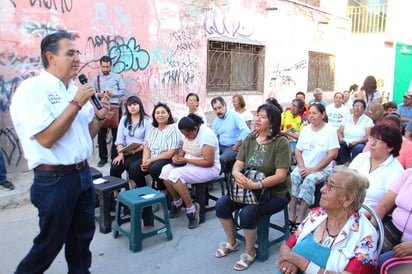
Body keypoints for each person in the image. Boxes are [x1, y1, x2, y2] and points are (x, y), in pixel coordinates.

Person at [10, 31, 110, 273]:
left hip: (83, 175)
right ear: (51, 57)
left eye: (77, 52)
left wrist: (99, 117)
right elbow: (46, 138)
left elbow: (86, 135)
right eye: (70, 53)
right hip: (54, 180)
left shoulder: (73, 89)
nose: (77, 58)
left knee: (81, 240)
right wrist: (76, 103)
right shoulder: (33, 90)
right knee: (49, 244)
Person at [214, 104, 291, 271]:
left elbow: (280, 176)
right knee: (221, 205)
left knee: (247, 214)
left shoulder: (281, 142)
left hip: (274, 193)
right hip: (247, 189)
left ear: (272, 122)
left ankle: (250, 251)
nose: (257, 119)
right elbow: (238, 164)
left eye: (263, 117)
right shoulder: (250, 139)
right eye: (257, 115)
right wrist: (236, 174)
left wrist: (257, 184)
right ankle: (232, 242)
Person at [277, 166, 378, 274]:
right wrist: (288, 262)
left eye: (330, 186)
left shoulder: (366, 236)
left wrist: (303, 264)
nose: (322, 189)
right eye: (326, 184)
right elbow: (287, 245)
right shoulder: (317, 214)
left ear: (348, 199)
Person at [160, 114, 220, 229]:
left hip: (209, 168)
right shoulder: (187, 133)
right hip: (190, 163)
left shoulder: (206, 136)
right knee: (165, 170)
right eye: (184, 135)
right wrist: (178, 157)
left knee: (176, 175)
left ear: (196, 129)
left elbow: (209, 162)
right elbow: (184, 148)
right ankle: (177, 202)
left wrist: (186, 159)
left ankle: (191, 209)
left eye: (188, 134)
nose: (186, 137)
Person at [289, 103, 339, 232]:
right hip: (304, 166)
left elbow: (333, 154)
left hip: (322, 168)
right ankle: (292, 212)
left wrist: (313, 169)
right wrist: (301, 167)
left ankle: (301, 217)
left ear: (323, 115)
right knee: (294, 176)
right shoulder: (305, 129)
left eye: (314, 113)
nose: (311, 116)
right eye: (309, 113)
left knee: (309, 180)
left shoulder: (330, 130)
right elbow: (298, 151)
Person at [349, 121, 404, 208]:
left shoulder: (396, 170)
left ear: (390, 147)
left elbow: (385, 206)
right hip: (344, 207)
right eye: (371, 138)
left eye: (378, 140)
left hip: (369, 215)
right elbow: (345, 180)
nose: (372, 143)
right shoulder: (361, 157)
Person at [373, 169, 412, 273]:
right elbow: (383, 205)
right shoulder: (408, 174)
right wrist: (369, 232)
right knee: (361, 252)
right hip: (392, 229)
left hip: (410, 243)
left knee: (382, 263)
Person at [92, 55, 128, 167]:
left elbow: (123, 91)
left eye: (107, 66)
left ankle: (114, 157)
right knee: (101, 135)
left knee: (116, 135)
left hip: (115, 108)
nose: (105, 69)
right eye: (103, 67)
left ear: (111, 65)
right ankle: (103, 158)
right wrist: (99, 94)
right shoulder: (96, 79)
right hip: (101, 109)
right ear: (100, 66)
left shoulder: (117, 77)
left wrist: (114, 93)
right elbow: (92, 94)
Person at [110, 95, 152, 191]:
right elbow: (119, 139)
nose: (132, 107)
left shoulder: (147, 121)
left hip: (141, 150)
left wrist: (133, 152)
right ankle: (116, 193)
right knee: (115, 166)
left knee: (132, 167)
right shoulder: (124, 118)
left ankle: (142, 190)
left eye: (134, 104)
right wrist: (120, 154)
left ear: (140, 106)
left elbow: (147, 142)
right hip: (125, 150)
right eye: (129, 105)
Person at [138, 102, 182, 192]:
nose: (160, 115)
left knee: (155, 168)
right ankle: (144, 192)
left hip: (167, 158)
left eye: (163, 112)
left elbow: (171, 152)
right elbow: (147, 147)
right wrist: (145, 161)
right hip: (153, 158)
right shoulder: (152, 130)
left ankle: (164, 191)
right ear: (154, 115)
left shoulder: (173, 129)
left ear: (168, 114)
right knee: (135, 168)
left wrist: (151, 160)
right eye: (157, 113)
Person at [211, 96, 250, 173]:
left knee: (221, 159)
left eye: (220, 107)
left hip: (233, 147)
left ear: (225, 105)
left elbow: (245, 130)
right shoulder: (215, 122)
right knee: (207, 158)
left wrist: (237, 144)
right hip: (221, 146)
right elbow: (214, 138)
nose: (218, 111)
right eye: (215, 109)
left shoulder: (235, 116)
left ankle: (215, 177)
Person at [337, 99, 374, 165]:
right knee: (339, 145)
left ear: (364, 109)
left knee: (358, 148)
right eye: (355, 106)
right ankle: (345, 163)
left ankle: (353, 165)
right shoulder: (347, 118)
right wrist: (340, 138)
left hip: (360, 142)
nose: (357, 109)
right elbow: (339, 132)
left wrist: (357, 142)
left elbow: (368, 136)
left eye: (360, 107)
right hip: (346, 141)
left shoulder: (367, 120)